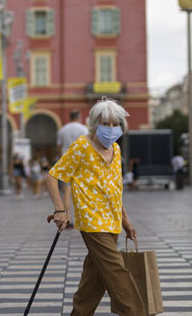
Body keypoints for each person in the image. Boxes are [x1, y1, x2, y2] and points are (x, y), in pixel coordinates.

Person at [45, 98, 145, 316]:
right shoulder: (82, 146)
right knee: (116, 270)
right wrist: (60, 209)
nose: (110, 129)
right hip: (91, 221)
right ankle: (137, 313)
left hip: (111, 221)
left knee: (96, 276)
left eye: (115, 124)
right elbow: (53, 176)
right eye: (105, 124)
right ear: (94, 124)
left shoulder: (115, 150)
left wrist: (125, 220)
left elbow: (115, 190)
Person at [57, 109, 89, 228]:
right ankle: (84, 219)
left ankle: (68, 219)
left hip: (66, 161)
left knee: (67, 192)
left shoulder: (63, 129)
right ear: (79, 117)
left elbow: (58, 146)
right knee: (82, 191)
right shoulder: (83, 129)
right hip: (80, 161)